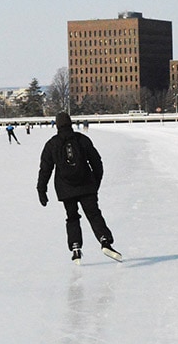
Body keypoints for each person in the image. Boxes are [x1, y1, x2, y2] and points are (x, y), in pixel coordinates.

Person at [36, 112, 121, 264]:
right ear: (70, 123)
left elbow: (45, 168)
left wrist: (41, 190)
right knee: (94, 214)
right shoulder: (82, 140)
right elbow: (97, 163)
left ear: (57, 125)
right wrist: (95, 183)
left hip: (65, 188)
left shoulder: (52, 144)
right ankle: (105, 240)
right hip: (86, 185)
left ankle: (75, 247)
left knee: (72, 217)